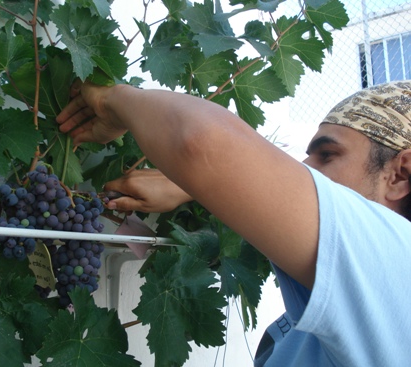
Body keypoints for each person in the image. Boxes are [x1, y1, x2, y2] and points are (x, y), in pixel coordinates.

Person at [56, 80, 411, 366]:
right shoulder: (351, 313)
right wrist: (191, 187)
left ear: (400, 174)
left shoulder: (403, 269)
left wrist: (113, 100)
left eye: (327, 154)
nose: (305, 171)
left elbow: (200, 142)